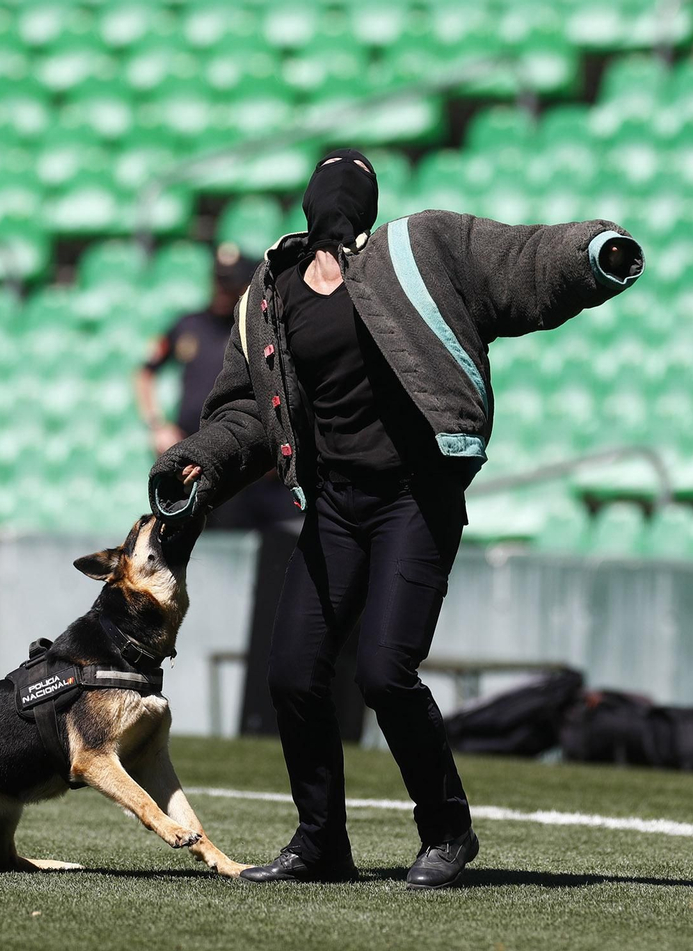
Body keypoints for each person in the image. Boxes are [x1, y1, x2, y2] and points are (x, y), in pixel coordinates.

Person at [146, 148, 644, 889]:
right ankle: (321, 844)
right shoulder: (270, 292)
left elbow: (517, 263)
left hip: (415, 497)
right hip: (335, 504)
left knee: (384, 670)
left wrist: (593, 254)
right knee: (292, 674)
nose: (340, 204)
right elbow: (248, 408)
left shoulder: (419, 249)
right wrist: (201, 461)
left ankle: (447, 832)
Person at [135, 243, 297, 531]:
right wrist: (157, 424)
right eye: (219, 281)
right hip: (191, 458)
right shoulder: (188, 324)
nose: (222, 291)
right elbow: (144, 373)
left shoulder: (258, 329)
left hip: (245, 457)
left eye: (230, 283)